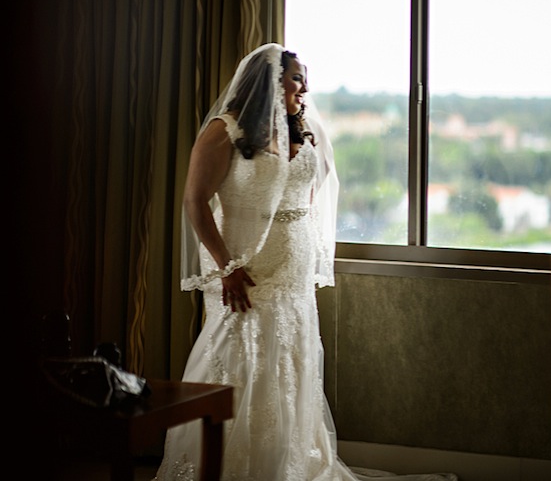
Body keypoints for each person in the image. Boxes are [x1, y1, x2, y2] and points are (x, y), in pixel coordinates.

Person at [154, 44, 455, 481]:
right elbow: (195, 201)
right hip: (245, 267)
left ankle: (291, 463)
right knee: (240, 356)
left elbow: (310, 193)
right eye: (297, 77)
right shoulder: (225, 132)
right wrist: (226, 268)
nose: (305, 87)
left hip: (292, 271)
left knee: (290, 360)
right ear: (270, 81)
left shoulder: (303, 129)